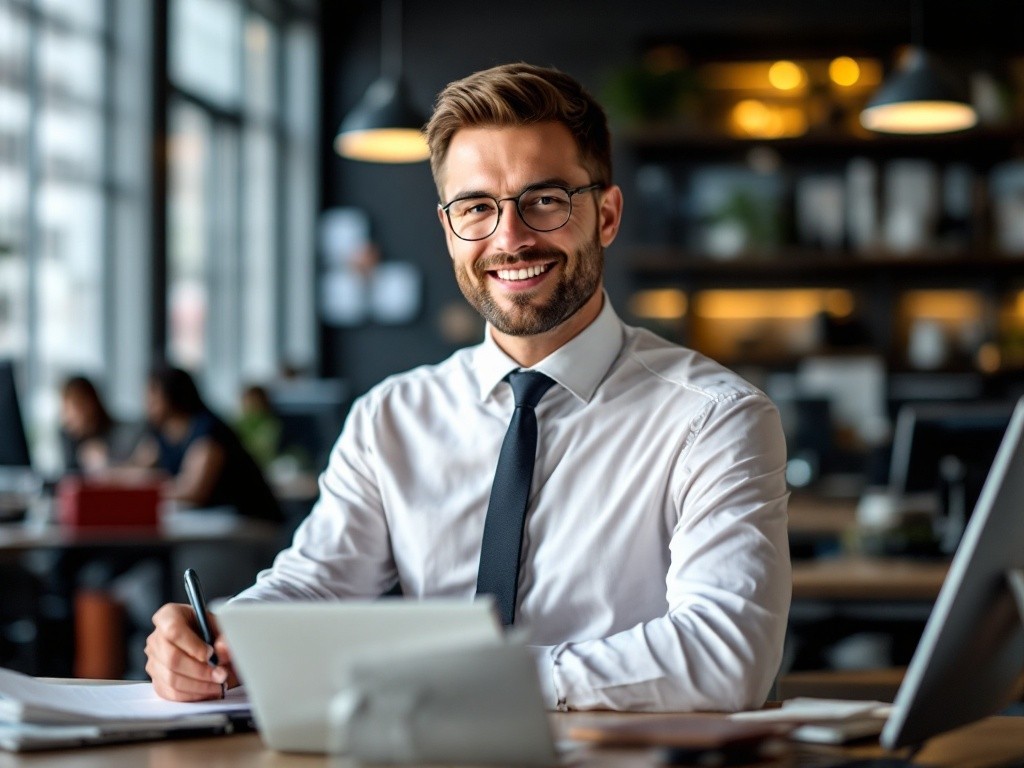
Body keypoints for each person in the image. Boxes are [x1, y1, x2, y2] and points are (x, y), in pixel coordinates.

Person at [145, 62, 790, 711]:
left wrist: (483, 680)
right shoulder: (391, 418)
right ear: (448, 227)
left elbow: (725, 655)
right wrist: (226, 632)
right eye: (477, 207)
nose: (509, 238)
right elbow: (314, 583)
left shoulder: (716, 418)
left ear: (608, 215)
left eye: (544, 200)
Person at [130, 365, 283, 523]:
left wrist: (147, 490)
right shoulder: (161, 433)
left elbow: (194, 491)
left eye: (153, 397)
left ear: (171, 395)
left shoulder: (207, 430)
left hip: (249, 520)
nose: (147, 405)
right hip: (214, 519)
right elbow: (135, 470)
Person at [59, 376, 138, 473]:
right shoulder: (68, 436)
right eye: (66, 409)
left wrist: (107, 460)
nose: (68, 416)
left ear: (89, 404)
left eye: (72, 408)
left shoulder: (118, 433)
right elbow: (70, 476)